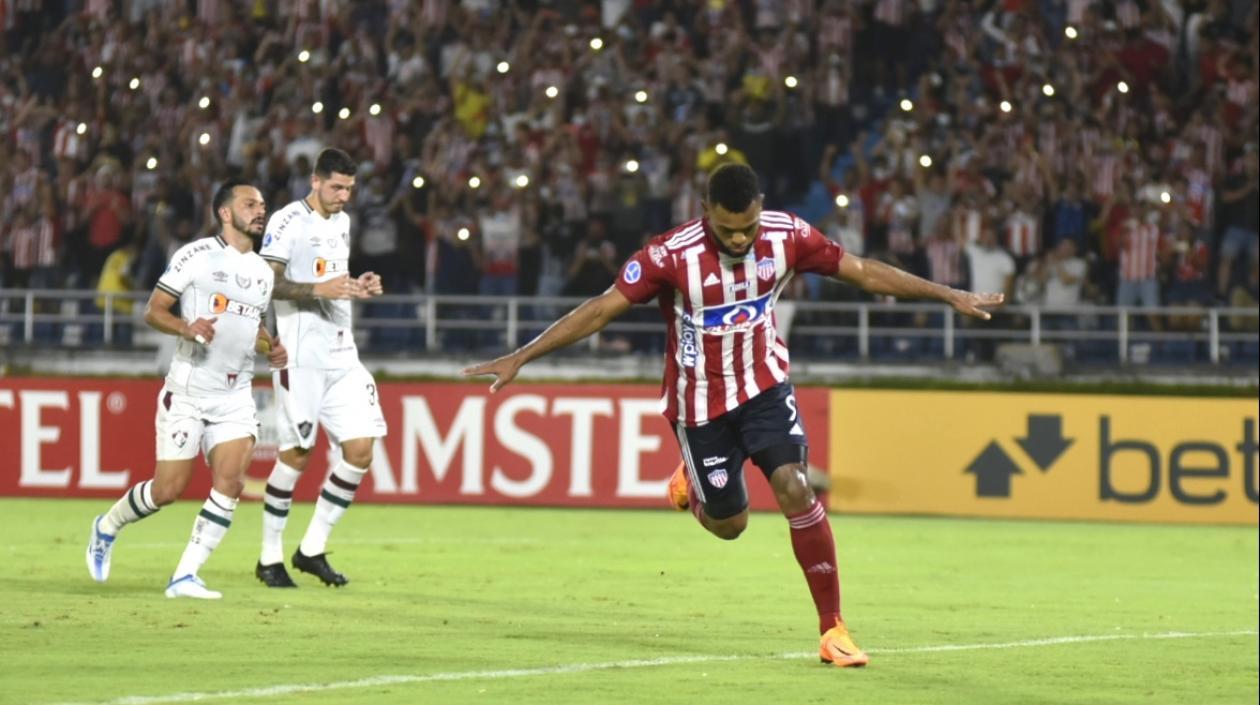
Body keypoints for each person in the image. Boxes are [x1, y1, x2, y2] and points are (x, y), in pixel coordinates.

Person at [464, 164, 1003, 668]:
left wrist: (944, 293)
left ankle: (833, 629)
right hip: (699, 408)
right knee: (731, 525)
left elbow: (862, 272)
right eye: (728, 230)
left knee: (794, 487)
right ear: (705, 211)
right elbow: (603, 308)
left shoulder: (787, 234)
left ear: (760, 209)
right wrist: (522, 356)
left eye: (746, 227)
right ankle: (693, 483)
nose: (740, 239)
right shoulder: (669, 256)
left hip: (765, 386)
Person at [85, 179, 286, 599]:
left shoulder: (263, 272)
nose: (260, 210)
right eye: (250, 204)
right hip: (189, 391)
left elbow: (252, 327)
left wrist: (272, 345)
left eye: (263, 204)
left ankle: (184, 576)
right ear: (226, 213)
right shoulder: (196, 256)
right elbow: (153, 310)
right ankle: (107, 526)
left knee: (230, 482)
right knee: (167, 491)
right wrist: (185, 326)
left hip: (235, 395)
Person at [254, 147, 386, 589]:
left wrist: (356, 284)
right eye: (336, 187)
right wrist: (320, 288)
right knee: (297, 453)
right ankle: (269, 557)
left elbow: (333, 280)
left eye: (349, 188)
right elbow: (267, 282)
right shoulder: (287, 221)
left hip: (342, 353)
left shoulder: (343, 221)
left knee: (360, 451)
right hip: (300, 353)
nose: (343, 196)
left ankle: (310, 549)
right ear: (315, 181)